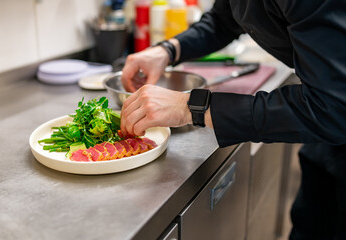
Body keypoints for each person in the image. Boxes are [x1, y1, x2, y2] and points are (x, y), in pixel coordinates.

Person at [120, 0, 346, 239]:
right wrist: (168, 49)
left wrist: (194, 107)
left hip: (333, 112)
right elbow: (223, 19)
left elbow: (331, 109)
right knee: (311, 223)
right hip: (328, 138)